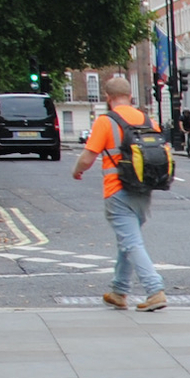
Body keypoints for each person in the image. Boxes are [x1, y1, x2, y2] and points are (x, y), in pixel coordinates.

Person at [72, 73, 166, 311]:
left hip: (117, 191)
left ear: (108, 97)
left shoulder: (106, 121)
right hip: (145, 189)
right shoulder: (147, 119)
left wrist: (77, 171)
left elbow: (88, 157)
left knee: (131, 241)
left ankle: (155, 290)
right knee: (127, 240)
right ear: (130, 96)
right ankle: (119, 291)